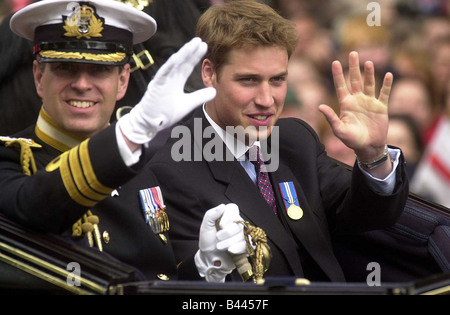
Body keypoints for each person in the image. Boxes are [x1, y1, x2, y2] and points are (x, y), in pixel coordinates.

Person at [149, 1, 409, 282]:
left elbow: (365, 218)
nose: (266, 100)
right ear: (209, 73)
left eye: (277, 80)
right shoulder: (173, 169)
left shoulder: (295, 139)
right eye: (248, 80)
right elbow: (191, 288)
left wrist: (372, 155)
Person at [0, 0, 247, 282]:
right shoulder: (11, 158)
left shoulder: (147, 165)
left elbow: (151, 280)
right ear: (39, 76)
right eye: (65, 68)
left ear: (123, 80)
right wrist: (132, 132)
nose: (82, 84)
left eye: (100, 70)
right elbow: (35, 205)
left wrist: (206, 267)